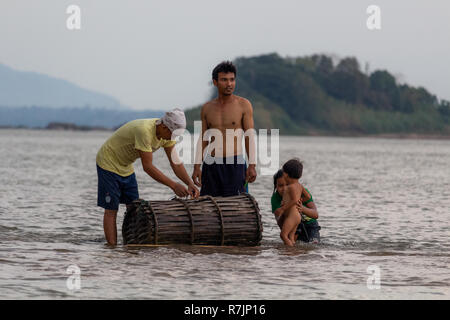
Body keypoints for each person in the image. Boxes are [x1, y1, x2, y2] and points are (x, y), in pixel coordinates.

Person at [96, 108, 200, 245]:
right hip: (108, 162)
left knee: (134, 207)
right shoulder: (144, 131)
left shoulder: (167, 135)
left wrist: (189, 183)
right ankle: (112, 249)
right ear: (163, 126)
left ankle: (131, 245)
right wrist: (173, 185)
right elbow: (148, 167)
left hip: (126, 166)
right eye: (173, 135)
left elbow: (175, 163)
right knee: (112, 209)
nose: (173, 139)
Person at [191, 61, 257, 197]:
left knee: (236, 206)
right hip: (211, 163)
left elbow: (249, 136)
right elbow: (203, 139)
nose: (229, 84)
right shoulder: (207, 108)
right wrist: (197, 166)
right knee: (208, 206)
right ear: (215, 82)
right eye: (224, 80)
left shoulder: (244, 105)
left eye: (232, 80)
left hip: (235, 163)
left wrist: (252, 165)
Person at [271, 168, 321, 244]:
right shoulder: (275, 198)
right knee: (291, 245)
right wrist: (282, 212)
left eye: (287, 184)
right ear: (276, 186)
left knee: (313, 246)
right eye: (280, 185)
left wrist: (302, 208)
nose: (285, 188)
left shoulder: (300, 192)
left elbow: (315, 215)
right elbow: (280, 224)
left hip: (310, 224)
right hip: (293, 224)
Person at [273, 159, 304, 246]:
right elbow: (305, 197)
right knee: (290, 236)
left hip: (292, 216)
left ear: (286, 174)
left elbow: (294, 200)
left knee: (283, 235)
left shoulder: (291, 187)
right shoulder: (299, 186)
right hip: (297, 216)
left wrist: (283, 208)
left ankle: (290, 249)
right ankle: (292, 254)